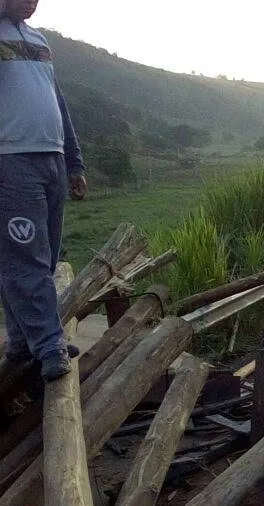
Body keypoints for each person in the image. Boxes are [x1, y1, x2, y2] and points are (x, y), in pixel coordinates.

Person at [1, 0, 87, 382]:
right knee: (26, 259)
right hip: (10, 158)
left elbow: (59, 101)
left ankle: (24, 341)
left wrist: (74, 162)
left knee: (44, 258)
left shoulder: (38, 39)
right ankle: (49, 345)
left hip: (51, 156)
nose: (32, 3)